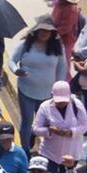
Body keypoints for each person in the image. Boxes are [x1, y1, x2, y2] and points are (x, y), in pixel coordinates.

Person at [10, 21, 67, 150]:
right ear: (36, 31)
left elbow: (62, 69)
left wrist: (59, 89)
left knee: (46, 124)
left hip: (48, 95)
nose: (44, 33)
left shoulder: (58, 48)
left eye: (47, 31)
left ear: (52, 33)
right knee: (27, 122)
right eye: (42, 30)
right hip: (26, 91)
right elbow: (12, 61)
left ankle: (45, 149)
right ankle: (25, 150)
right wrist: (16, 70)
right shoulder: (25, 45)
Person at [33, 82, 87, 173]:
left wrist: (71, 132)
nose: (61, 103)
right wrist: (49, 131)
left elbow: (84, 125)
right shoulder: (44, 107)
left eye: (64, 101)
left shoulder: (77, 105)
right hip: (50, 153)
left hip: (71, 154)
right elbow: (36, 128)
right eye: (58, 101)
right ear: (52, 96)